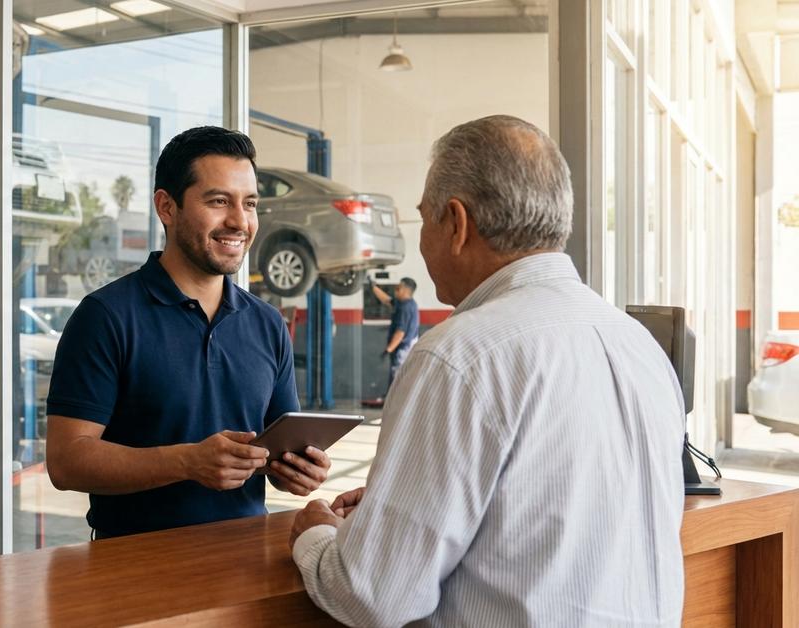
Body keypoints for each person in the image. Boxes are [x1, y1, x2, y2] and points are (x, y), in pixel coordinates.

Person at [289, 115, 685, 625]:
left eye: (424, 220)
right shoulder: (638, 343)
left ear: (456, 223)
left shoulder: (459, 355)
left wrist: (315, 534)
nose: (423, 245)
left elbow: (373, 596)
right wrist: (409, 504)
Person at [45, 126, 331, 539]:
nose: (239, 221)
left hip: (246, 561)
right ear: (167, 206)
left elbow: (272, 455)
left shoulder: (268, 324)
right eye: (218, 201)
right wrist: (186, 462)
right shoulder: (106, 317)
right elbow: (66, 461)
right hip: (131, 570)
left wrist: (296, 471)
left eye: (249, 204)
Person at [368, 276, 419, 383]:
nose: (396, 288)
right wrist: (374, 287)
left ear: (406, 290)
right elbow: (387, 300)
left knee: (397, 380)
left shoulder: (405, 308)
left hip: (402, 350)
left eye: (399, 287)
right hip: (405, 348)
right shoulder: (406, 303)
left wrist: (388, 350)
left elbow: (400, 333)